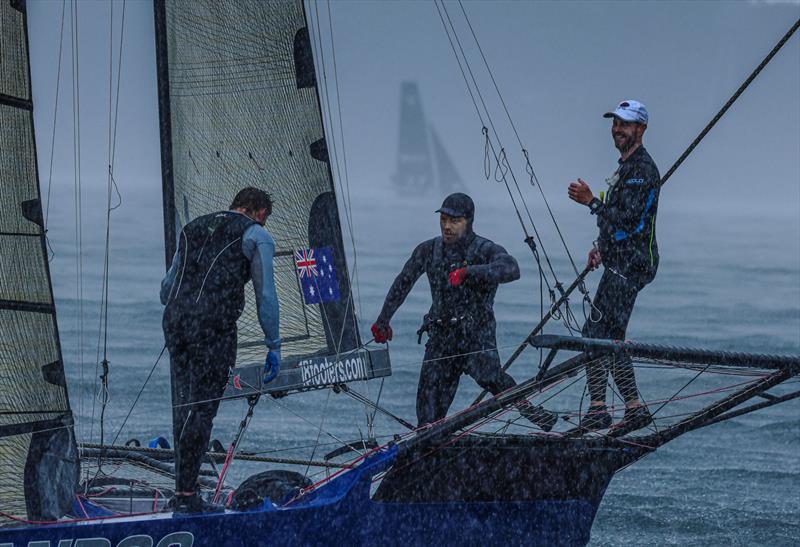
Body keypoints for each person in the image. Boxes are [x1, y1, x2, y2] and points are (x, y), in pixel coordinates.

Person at [371, 193, 557, 430]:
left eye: (455, 221)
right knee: (427, 418)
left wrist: (469, 272)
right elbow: (403, 282)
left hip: (476, 335)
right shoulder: (428, 250)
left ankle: (535, 414)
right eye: (444, 219)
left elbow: (512, 269)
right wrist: (383, 320)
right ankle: (431, 454)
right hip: (441, 338)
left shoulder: (484, 249)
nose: (447, 226)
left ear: (469, 221)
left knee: (492, 379)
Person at [160, 187, 281, 512]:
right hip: (212, 329)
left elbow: (166, 287)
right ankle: (187, 498)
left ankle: (182, 490)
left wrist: (187, 307)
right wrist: (274, 345)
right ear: (259, 213)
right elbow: (266, 296)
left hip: (175, 322)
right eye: (265, 218)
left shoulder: (192, 227)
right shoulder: (256, 235)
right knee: (201, 410)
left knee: (186, 405)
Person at [567, 99, 659, 432]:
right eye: (615, 123)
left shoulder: (642, 171)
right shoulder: (625, 167)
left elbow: (630, 221)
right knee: (611, 334)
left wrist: (591, 201)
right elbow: (618, 224)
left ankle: (599, 409)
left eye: (625, 124)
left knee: (596, 333)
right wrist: (601, 248)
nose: (617, 130)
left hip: (632, 264)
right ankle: (632, 408)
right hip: (620, 259)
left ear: (641, 129)